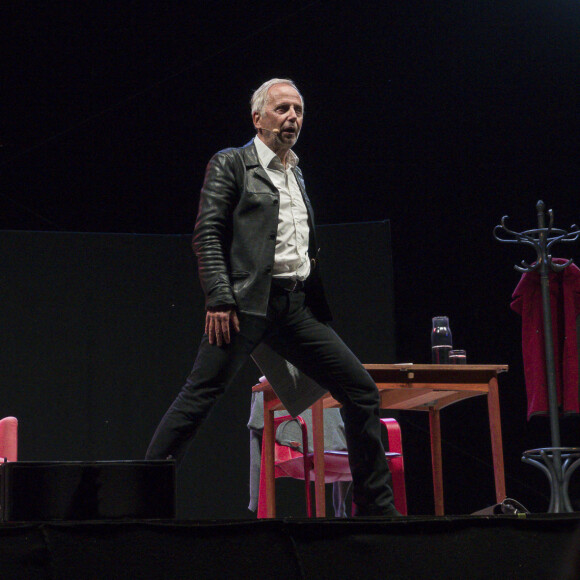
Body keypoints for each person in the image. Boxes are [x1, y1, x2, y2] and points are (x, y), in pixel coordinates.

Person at [146, 78, 398, 517]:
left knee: (361, 392)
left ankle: (376, 511)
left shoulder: (294, 171)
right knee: (199, 396)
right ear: (258, 117)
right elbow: (207, 233)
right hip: (243, 305)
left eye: (298, 110)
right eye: (282, 109)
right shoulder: (233, 164)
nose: (292, 118)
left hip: (294, 307)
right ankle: (142, 498)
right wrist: (219, 297)